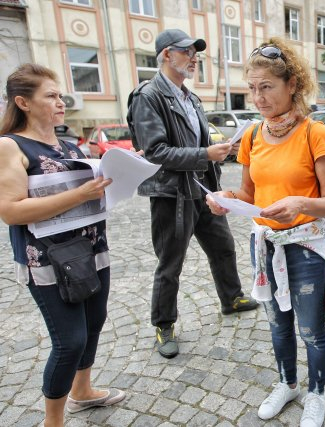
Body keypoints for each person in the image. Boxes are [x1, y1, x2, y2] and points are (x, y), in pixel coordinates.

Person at [207, 38, 325, 427]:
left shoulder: (315, 133)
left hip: (305, 247)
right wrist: (225, 198)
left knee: (310, 329)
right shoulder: (251, 136)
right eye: (252, 87)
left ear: (292, 85)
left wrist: (300, 203)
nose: (258, 97)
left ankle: (317, 392)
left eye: (266, 87)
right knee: (276, 322)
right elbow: (249, 193)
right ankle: (287, 383)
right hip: (264, 245)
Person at [0, 64, 125, 426]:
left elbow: (89, 194)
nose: (61, 102)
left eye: (60, 95)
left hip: (91, 248)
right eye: (51, 96)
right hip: (48, 260)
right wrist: (80, 194)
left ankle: (82, 393)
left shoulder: (69, 144)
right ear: (23, 102)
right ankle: (52, 422)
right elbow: (10, 211)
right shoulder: (11, 146)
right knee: (69, 341)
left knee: (95, 321)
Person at [127, 29, 258, 359]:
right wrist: (204, 155)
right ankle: (164, 325)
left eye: (195, 52)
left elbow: (199, 141)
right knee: (170, 264)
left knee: (224, 247)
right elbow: (155, 151)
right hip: (171, 195)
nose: (194, 57)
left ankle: (231, 299)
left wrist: (218, 148)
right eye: (187, 51)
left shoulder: (190, 97)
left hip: (202, 190)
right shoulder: (148, 95)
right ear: (167, 55)